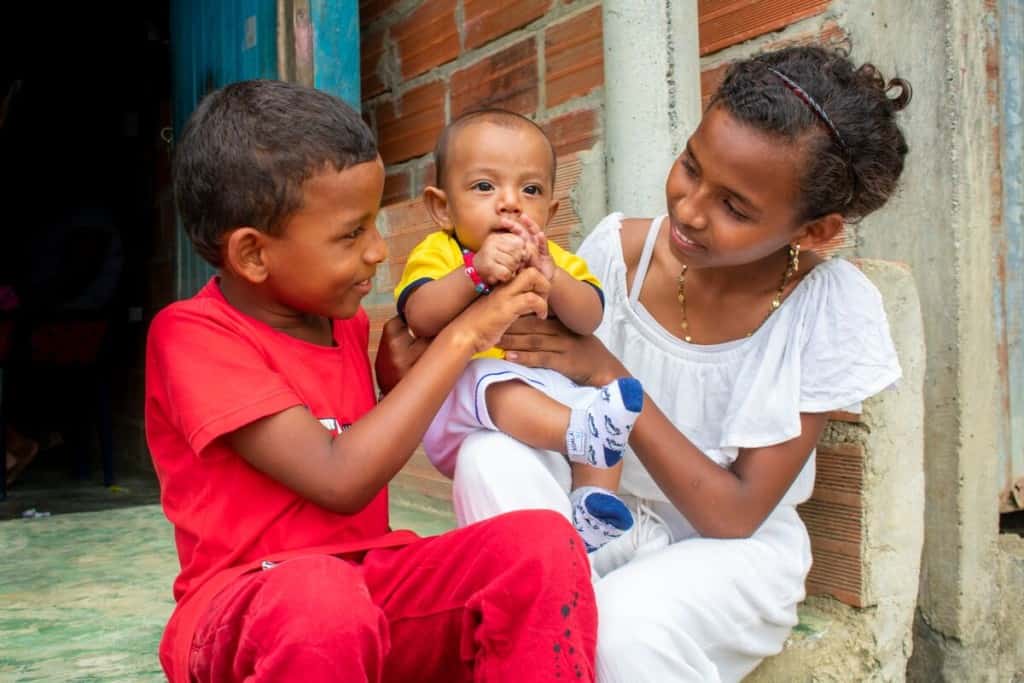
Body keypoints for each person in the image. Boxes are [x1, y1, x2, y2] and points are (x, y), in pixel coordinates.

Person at [377, 46, 911, 682]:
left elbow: (734, 514)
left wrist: (609, 373)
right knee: (486, 457)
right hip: (600, 511)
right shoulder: (618, 251)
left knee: (618, 635)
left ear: (815, 232)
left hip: (729, 554)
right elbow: (499, 364)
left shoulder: (829, 309)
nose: (688, 208)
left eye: (734, 207)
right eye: (690, 165)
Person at [145, 80, 597, 683]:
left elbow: (342, 432)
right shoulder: (192, 336)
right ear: (253, 255)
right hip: (246, 605)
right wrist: (465, 335)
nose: (379, 252)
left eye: (375, 225)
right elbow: (338, 478)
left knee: (538, 545)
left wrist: (389, 384)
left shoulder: (347, 325)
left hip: (370, 581)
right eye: (350, 234)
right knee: (321, 598)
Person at [395, 109, 641, 552]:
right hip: (466, 409)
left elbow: (588, 320)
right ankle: (580, 434)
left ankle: (591, 503)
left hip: (546, 407)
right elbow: (420, 315)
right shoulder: (442, 252)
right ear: (442, 207)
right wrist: (475, 273)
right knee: (485, 378)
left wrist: (555, 278)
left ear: (548, 211)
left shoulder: (555, 258)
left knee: (603, 405)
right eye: (485, 186)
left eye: (530, 190)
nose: (510, 202)